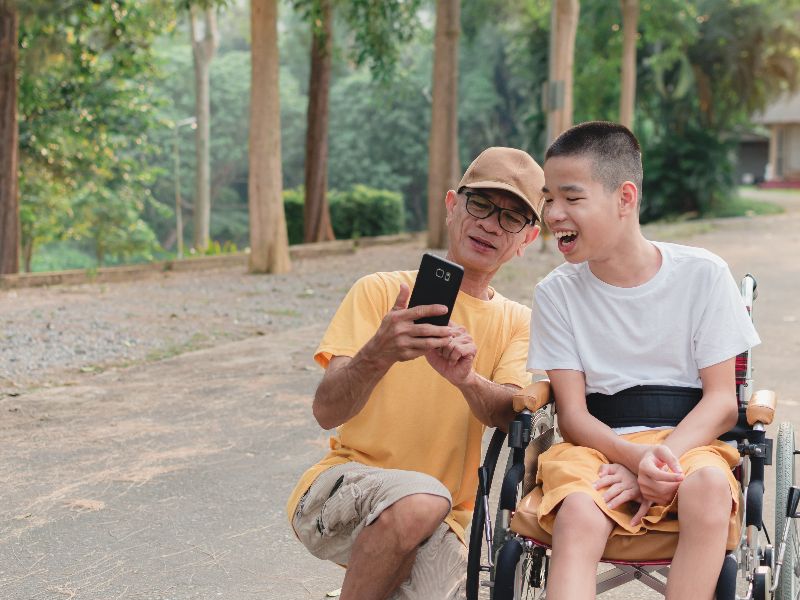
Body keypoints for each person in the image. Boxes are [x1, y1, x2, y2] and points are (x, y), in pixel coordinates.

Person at [286, 147, 546, 600]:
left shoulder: (517, 322)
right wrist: (379, 352)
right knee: (419, 497)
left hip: (445, 518)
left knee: (426, 507)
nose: (489, 224)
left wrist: (465, 379)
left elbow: (511, 415)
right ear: (451, 206)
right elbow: (326, 411)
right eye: (481, 204)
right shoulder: (381, 292)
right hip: (344, 487)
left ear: (527, 239)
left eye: (511, 218)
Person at [528, 121, 760, 599]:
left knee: (710, 489)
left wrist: (660, 461)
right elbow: (571, 415)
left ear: (625, 198)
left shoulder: (703, 275)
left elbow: (721, 403)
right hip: (598, 445)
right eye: (548, 198)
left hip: (690, 439)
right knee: (577, 512)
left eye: (571, 198)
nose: (553, 213)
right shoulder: (556, 294)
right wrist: (633, 459)